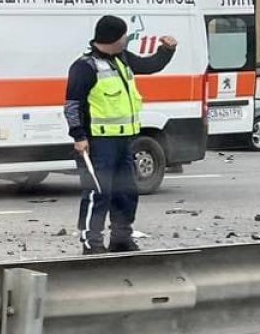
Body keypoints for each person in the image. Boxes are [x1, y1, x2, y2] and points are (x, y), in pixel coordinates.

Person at [64, 13, 176, 255]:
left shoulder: (122, 59)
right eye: (124, 35)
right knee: (98, 192)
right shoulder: (85, 67)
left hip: (125, 140)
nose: (127, 39)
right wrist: (79, 136)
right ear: (113, 38)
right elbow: (72, 105)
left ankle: (121, 238)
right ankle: (92, 242)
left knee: (126, 191)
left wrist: (166, 51)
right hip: (98, 142)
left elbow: (150, 65)